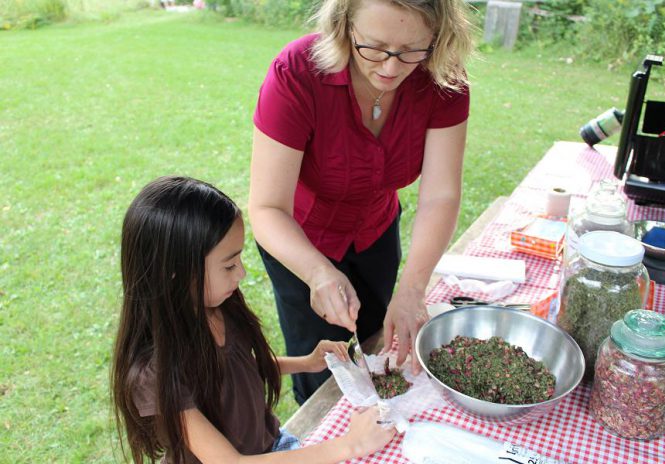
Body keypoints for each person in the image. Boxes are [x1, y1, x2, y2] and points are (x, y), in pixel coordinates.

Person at [249, 0, 473, 404]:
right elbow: (267, 209)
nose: (390, 68)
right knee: (322, 368)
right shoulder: (297, 71)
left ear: (437, 38)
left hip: (376, 230)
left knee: (378, 344)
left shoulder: (442, 76)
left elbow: (440, 194)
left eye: (410, 51)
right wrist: (318, 274)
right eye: (373, 47)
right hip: (300, 238)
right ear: (344, 26)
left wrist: (413, 288)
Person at [111, 176, 395, 464]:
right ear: (176, 273)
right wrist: (349, 445)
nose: (242, 273)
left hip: (272, 447)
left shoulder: (221, 307)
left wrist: (306, 362)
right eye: (229, 264)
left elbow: (238, 370)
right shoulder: (153, 373)